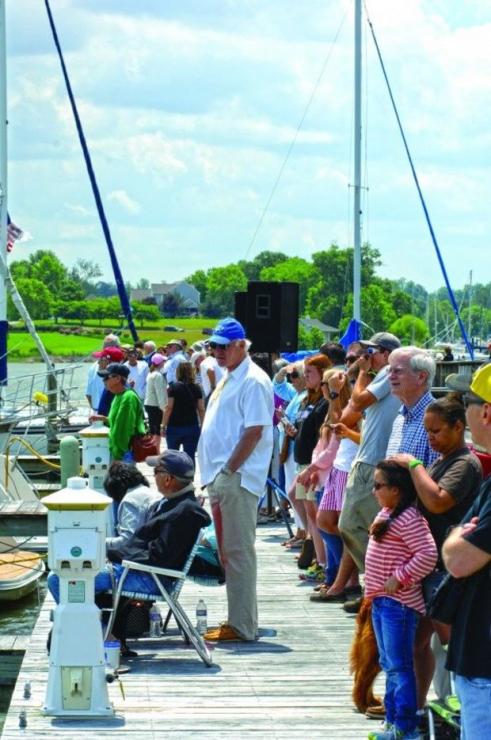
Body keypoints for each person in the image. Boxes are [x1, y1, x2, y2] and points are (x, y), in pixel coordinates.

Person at [390, 395, 482, 712]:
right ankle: (417, 707)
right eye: (427, 432)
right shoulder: (444, 460)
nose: (431, 438)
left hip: (447, 570)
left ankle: (465, 708)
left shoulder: (464, 463)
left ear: (459, 427)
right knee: (417, 644)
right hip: (431, 566)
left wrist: (414, 465)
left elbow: (438, 501)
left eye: (437, 431)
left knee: (453, 644)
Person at [48, 450, 210, 604]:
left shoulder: (182, 512)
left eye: (156, 472)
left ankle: (99, 628)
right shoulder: (176, 504)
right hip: (142, 572)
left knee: (58, 578)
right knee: (77, 571)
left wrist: (116, 556)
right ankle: (101, 627)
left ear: (168, 479)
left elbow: (159, 557)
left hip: (149, 579)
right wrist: (114, 555)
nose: (153, 477)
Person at [197, 317, 274, 642]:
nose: (217, 351)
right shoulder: (231, 377)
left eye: (224, 346)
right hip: (221, 476)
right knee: (227, 551)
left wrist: (229, 469)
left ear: (243, 345)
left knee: (238, 551)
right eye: (214, 345)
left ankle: (242, 626)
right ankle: (236, 619)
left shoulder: (253, 381)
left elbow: (255, 431)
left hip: (236, 477)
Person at [365, 461, 437, 740]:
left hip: (400, 605)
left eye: (379, 485)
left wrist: (401, 576)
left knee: (398, 665)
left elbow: (428, 554)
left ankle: (405, 727)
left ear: (396, 490)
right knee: (388, 662)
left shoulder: (409, 518)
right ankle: (393, 720)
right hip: (381, 602)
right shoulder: (388, 512)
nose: (374, 491)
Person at [441, 365, 491, 739]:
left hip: (484, 660)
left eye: (467, 403)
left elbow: (459, 560)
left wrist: (457, 532)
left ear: (486, 412)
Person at [337, 332, 401, 580]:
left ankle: (377, 578)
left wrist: (361, 373)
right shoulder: (385, 376)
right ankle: (376, 579)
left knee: (352, 524)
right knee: (359, 525)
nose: (366, 358)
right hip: (369, 459)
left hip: (372, 461)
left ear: (385, 354)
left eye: (370, 353)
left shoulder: (387, 373)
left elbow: (359, 401)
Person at [289, 354, 331, 571]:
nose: (305, 377)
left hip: (313, 464)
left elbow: (321, 437)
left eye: (309, 373)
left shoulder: (325, 403)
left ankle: (321, 559)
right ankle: (315, 548)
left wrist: (316, 466)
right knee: (305, 507)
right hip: (303, 460)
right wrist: (293, 432)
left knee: (315, 513)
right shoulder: (307, 399)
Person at [386, 347, 439, 468]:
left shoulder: (438, 419)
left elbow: (437, 478)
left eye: (397, 371)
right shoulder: (400, 417)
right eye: (389, 370)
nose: (390, 376)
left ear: (421, 377)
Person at [104, 461, 161, 559]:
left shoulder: (130, 500)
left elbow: (127, 542)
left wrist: (99, 542)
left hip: (142, 562)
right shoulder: (150, 493)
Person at [90, 363, 145, 461]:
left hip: (124, 453)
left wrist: (119, 455)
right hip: (117, 451)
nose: (103, 380)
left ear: (118, 378)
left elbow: (124, 429)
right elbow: (117, 420)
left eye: (107, 377)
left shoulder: (128, 398)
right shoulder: (117, 395)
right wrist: (104, 419)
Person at [162, 361, 205, 459]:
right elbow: (201, 409)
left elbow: (169, 407)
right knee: (190, 456)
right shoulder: (197, 387)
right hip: (192, 426)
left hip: (174, 426)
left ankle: (174, 474)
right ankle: (189, 474)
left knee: (172, 456)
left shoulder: (173, 387)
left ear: (178, 372)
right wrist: (203, 425)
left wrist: (163, 425)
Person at [85, 345, 124, 412]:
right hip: (98, 413)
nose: (98, 362)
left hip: (108, 415)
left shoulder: (115, 381)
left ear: (108, 362)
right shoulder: (97, 371)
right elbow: (88, 394)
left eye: (101, 359)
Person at [144, 353, 168, 452]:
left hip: (149, 403)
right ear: (160, 363)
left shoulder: (151, 373)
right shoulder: (158, 375)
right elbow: (160, 393)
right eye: (163, 361)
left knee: (153, 429)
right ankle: (156, 451)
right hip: (155, 405)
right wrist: (164, 408)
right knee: (156, 430)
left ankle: (154, 450)